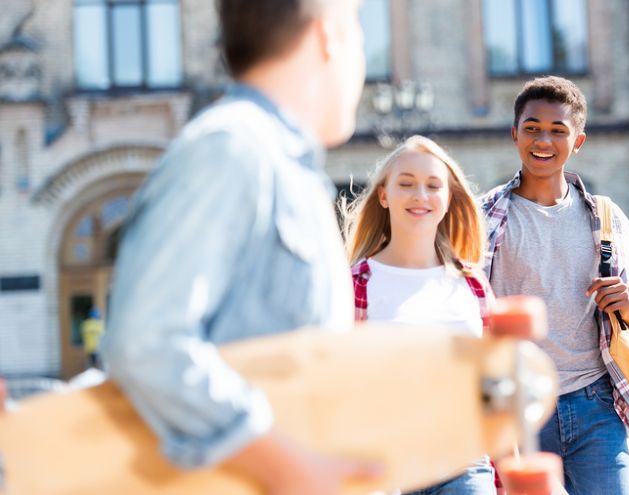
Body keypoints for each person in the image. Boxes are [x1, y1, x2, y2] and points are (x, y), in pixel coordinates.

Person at [100, 0, 375, 493]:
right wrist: (288, 467)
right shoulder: (232, 149)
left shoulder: (280, 163)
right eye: (359, 28)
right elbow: (147, 342)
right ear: (328, 35)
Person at [480, 76, 629, 495]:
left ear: (577, 141)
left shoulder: (605, 218)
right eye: (532, 127)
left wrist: (628, 307)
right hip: (517, 403)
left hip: (595, 403)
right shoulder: (483, 216)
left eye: (558, 130)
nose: (544, 139)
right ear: (514, 134)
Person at [343, 135, 496, 495]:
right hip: (382, 467)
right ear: (384, 194)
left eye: (433, 186)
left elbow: (496, 383)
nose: (420, 196)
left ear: (448, 198)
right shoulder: (352, 284)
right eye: (406, 184)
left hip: (464, 461)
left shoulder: (473, 284)